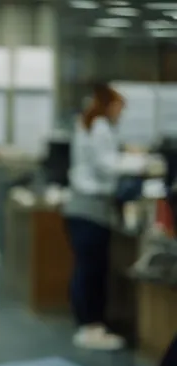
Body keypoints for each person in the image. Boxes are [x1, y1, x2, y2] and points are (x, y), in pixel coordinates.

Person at [63, 83, 130, 351]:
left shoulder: (86, 123)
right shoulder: (100, 126)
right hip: (91, 208)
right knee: (92, 270)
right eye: (119, 108)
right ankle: (91, 326)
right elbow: (106, 166)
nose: (120, 115)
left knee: (85, 268)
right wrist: (138, 163)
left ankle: (87, 323)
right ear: (109, 105)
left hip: (80, 207)